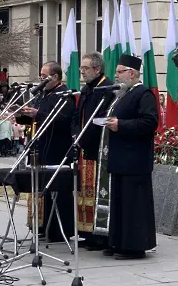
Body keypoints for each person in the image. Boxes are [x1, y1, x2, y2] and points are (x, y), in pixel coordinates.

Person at [103, 54, 158, 260]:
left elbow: (149, 123)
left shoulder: (143, 94)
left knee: (133, 205)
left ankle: (134, 246)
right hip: (121, 158)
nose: (116, 76)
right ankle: (118, 242)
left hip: (135, 160)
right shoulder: (124, 94)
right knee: (120, 203)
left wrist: (120, 125)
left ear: (132, 73)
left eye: (119, 72)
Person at [22, 61, 76, 243]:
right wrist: (21, 116)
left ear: (55, 77)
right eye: (40, 76)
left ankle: (57, 230)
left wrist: (37, 114)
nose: (41, 80)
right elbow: (34, 117)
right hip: (38, 147)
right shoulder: (41, 94)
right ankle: (40, 226)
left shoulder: (64, 95)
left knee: (55, 190)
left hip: (56, 150)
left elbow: (62, 119)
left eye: (44, 77)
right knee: (38, 188)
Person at [71, 52, 114, 251]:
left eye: (85, 68)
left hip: (98, 149)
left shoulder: (107, 88)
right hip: (83, 148)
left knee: (97, 194)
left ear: (97, 69)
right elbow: (77, 115)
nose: (82, 72)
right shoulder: (87, 89)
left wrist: (85, 138)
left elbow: (102, 121)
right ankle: (86, 232)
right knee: (84, 193)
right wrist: (75, 136)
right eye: (81, 68)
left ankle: (100, 235)